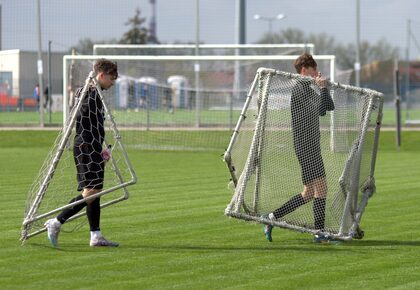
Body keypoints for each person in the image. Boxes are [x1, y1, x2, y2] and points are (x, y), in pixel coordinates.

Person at [44, 58, 119, 247]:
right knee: (91, 192)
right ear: (101, 75)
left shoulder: (93, 93)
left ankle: (96, 235)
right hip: (85, 147)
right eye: (112, 78)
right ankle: (57, 221)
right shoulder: (90, 94)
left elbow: (94, 125)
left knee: (94, 191)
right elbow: (81, 114)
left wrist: (101, 149)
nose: (113, 83)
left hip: (91, 147)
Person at [263, 53, 335, 243]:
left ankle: (271, 218)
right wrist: (322, 88)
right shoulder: (300, 89)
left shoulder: (309, 88)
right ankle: (319, 233)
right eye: (313, 70)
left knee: (308, 193)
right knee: (322, 188)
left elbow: (329, 107)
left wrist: (323, 88)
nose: (316, 73)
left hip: (311, 145)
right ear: (305, 69)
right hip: (306, 146)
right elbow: (321, 110)